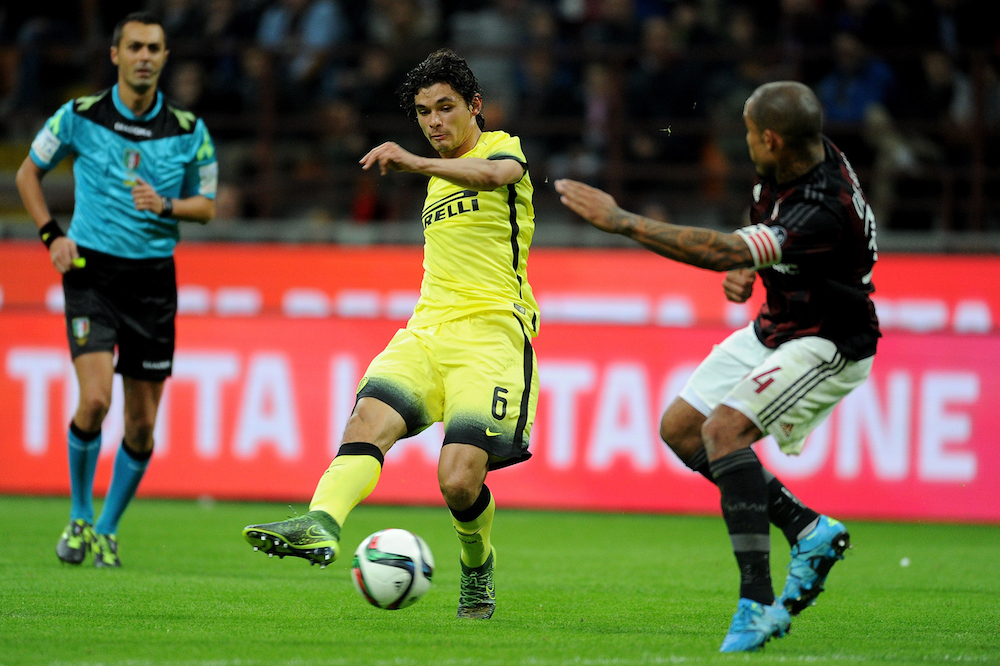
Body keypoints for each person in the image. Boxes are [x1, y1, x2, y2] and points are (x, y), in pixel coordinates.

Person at [555, 81, 879, 652]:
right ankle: (808, 529)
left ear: (772, 139)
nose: (743, 142)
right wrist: (757, 264)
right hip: (779, 323)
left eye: (750, 134)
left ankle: (757, 604)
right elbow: (772, 238)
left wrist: (623, 221)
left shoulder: (824, 204)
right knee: (681, 428)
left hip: (828, 341)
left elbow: (739, 245)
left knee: (723, 431)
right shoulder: (797, 158)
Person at [243, 49, 539, 621]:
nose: (434, 122)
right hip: (426, 330)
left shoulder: (502, 149)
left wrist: (416, 162)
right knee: (367, 420)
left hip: (492, 334)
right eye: (424, 113)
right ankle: (320, 522)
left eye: (446, 108)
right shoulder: (437, 180)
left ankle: (477, 565)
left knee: (458, 480)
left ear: (475, 106)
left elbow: (495, 176)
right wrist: (424, 167)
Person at [15, 11, 217, 568]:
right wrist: (52, 235)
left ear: (165, 57)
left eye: (153, 48)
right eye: (135, 47)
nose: (144, 56)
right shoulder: (79, 115)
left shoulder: (188, 129)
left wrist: (167, 205)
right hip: (91, 274)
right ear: (115, 54)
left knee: (142, 424)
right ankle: (80, 515)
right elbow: (28, 173)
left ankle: (107, 528)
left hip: (152, 282)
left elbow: (206, 206)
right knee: (95, 400)